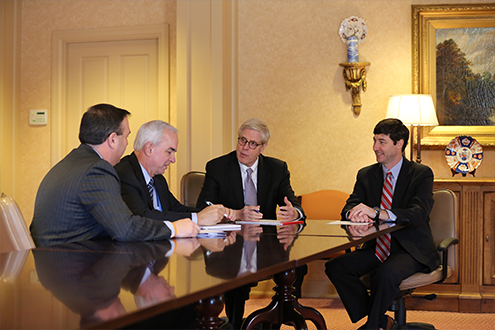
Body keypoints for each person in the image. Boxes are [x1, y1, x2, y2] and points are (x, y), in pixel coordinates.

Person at [325, 118, 440, 330]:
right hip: (376, 247)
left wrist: (378, 212)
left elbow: (418, 214)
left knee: (385, 274)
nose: (375, 147)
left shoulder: (421, 174)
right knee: (336, 266)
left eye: (382, 142)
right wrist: (356, 213)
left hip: (410, 248)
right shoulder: (366, 174)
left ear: (400, 144)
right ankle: (380, 321)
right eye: (374, 141)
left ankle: (372, 327)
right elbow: (349, 206)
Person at [30, 104, 200, 247]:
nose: (127, 143)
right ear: (112, 140)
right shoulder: (97, 170)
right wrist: (175, 229)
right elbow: (125, 229)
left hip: (55, 263)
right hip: (72, 267)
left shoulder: (72, 163)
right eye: (126, 136)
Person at [196, 118, 307, 329]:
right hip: (230, 243)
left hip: (267, 243)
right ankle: (236, 324)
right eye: (242, 140)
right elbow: (204, 206)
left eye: (252, 144)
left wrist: (294, 210)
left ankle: (280, 317)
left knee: (297, 266)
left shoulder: (277, 168)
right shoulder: (218, 167)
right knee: (235, 272)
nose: (244, 147)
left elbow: (292, 202)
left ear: (263, 147)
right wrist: (236, 214)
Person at [114, 120, 233, 227]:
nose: (173, 159)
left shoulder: (158, 178)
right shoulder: (125, 174)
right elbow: (142, 216)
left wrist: (213, 214)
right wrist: (197, 218)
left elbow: (176, 209)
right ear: (149, 149)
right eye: (169, 152)